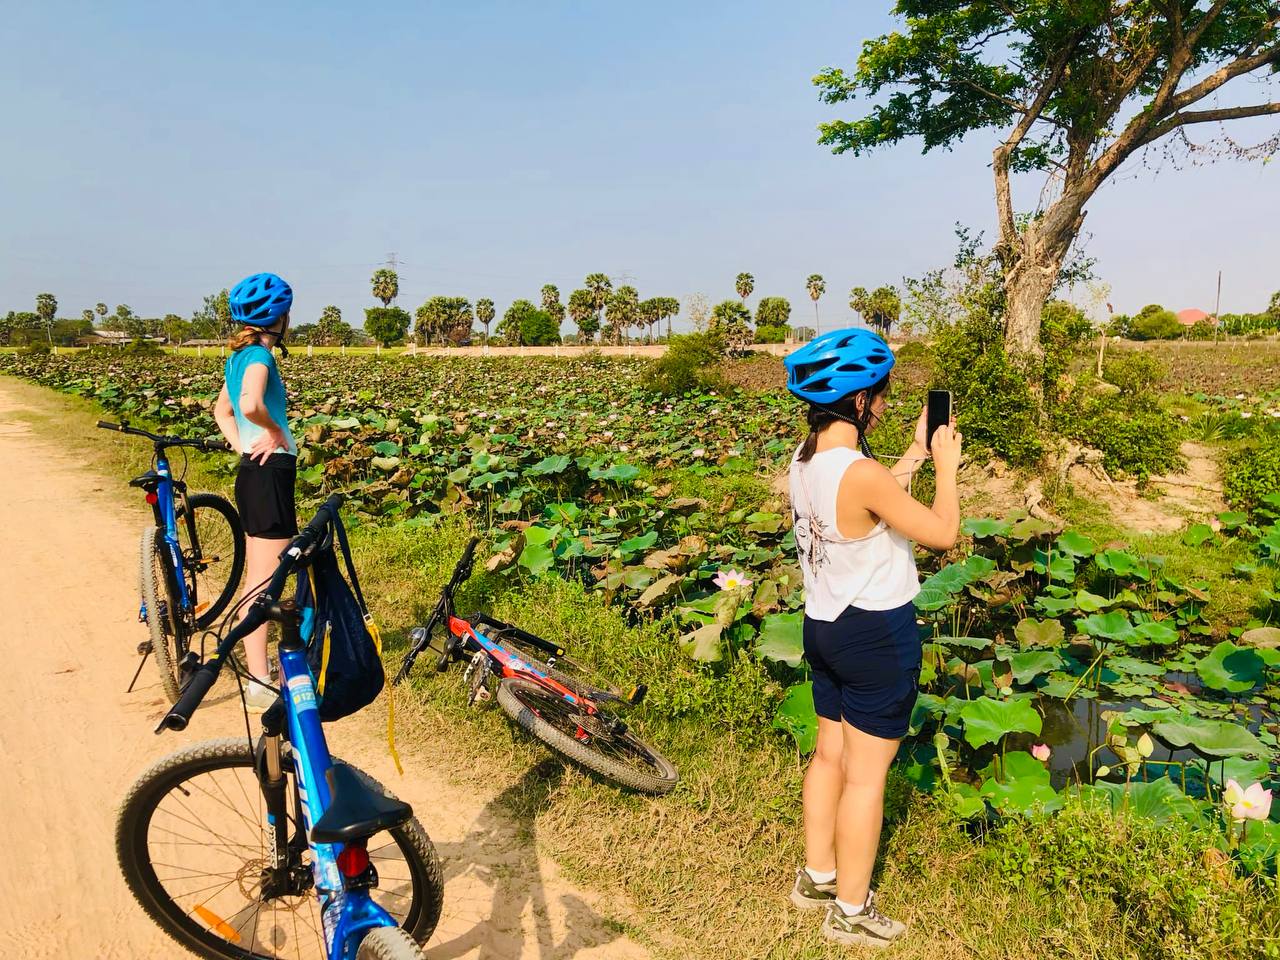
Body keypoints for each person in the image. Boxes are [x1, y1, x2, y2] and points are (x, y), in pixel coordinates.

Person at [782, 328, 962, 948]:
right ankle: (853, 911)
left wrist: (911, 452)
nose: (884, 405)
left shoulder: (804, 465)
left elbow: (869, 505)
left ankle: (817, 877)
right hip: (876, 634)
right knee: (867, 776)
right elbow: (942, 534)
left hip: (824, 626)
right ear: (859, 401)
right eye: (880, 396)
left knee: (828, 754)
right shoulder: (862, 473)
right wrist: (946, 467)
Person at [212, 272, 297, 712]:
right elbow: (247, 406)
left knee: (258, 574)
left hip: (252, 472)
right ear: (278, 317)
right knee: (267, 581)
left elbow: (221, 411)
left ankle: (260, 669)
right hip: (270, 475)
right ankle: (261, 679)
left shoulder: (239, 356)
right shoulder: (261, 357)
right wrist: (273, 431)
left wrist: (245, 444)